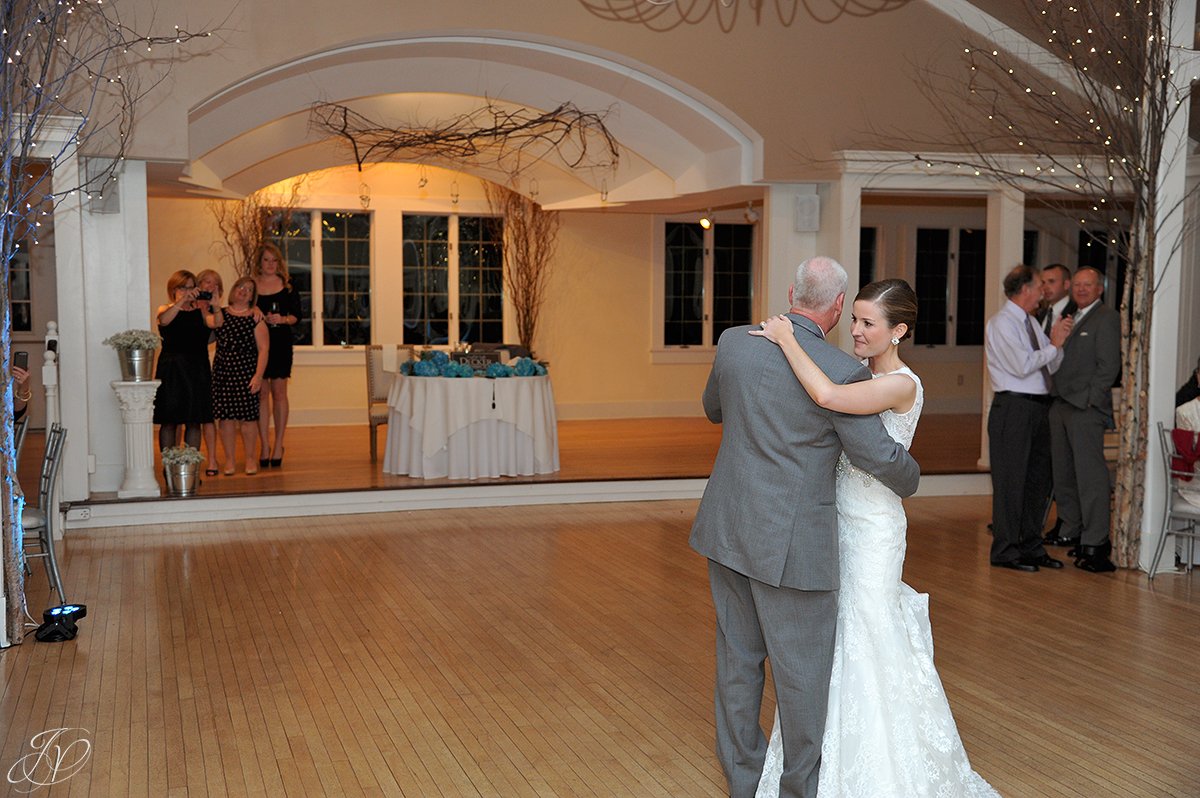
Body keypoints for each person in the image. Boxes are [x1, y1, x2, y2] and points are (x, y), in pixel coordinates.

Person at [749, 280, 998, 798]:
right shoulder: (860, 371)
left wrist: (787, 337)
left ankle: (880, 772)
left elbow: (827, 396)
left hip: (874, 529)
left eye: (868, 324)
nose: (856, 331)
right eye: (855, 319)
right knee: (833, 639)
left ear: (898, 331)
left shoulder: (902, 385)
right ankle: (820, 760)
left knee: (868, 633)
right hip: (833, 520)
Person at [690, 257, 920, 798]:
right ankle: (797, 789)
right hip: (792, 544)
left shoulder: (733, 341)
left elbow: (712, 410)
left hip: (727, 527)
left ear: (791, 292)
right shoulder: (841, 371)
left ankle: (745, 781)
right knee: (802, 675)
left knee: (737, 661)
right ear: (839, 308)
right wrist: (912, 475)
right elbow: (875, 456)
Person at [983, 264, 1071, 572]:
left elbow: (1051, 365)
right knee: (1011, 482)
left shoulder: (1030, 322)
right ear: (1024, 290)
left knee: (1037, 481)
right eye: (1038, 286)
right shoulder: (1002, 323)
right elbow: (1022, 365)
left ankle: (1032, 547)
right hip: (1013, 409)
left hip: (1038, 407)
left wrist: (1054, 345)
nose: (1043, 292)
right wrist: (1055, 344)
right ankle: (1005, 551)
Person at [1049, 266, 1121, 573]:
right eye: (1077, 284)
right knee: (1065, 474)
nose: (1081, 289)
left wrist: (1090, 399)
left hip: (1085, 408)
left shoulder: (1106, 317)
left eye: (1087, 284)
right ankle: (1073, 529)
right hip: (1061, 403)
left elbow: (1109, 366)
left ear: (1099, 288)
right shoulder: (1069, 317)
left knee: (1091, 478)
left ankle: (1096, 542)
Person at [154, 270, 222, 452]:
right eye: (182, 287)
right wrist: (181, 301)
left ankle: (191, 469)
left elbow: (217, 324)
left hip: (197, 368)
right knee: (169, 422)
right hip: (172, 369)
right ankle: (170, 467)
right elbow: (164, 321)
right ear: (173, 289)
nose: (187, 291)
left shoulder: (201, 311)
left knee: (194, 421)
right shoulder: (165, 308)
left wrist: (215, 306)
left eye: (191, 287)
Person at [212, 276, 269, 475]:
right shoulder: (221, 314)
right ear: (233, 289)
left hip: (246, 373)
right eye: (240, 287)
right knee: (226, 420)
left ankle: (251, 459)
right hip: (223, 373)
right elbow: (208, 332)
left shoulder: (256, 318)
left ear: (252, 297)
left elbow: (264, 349)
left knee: (248, 420)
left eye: (249, 290)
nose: (244, 291)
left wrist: (259, 376)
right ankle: (229, 460)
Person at [252, 243, 301, 468]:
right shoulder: (252, 286)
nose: (271, 264)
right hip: (257, 345)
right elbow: (241, 307)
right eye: (266, 260)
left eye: (274, 260)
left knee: (279, 393)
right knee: (261, 395)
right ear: (259, 263)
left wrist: (281, 319)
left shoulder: (288, 286)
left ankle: (279, 443)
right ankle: (264, 444)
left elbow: (297, 317)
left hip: (280, 343)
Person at [195, 269, 225, 477]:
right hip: (183, 364)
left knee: (207, 416)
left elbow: (216, 329)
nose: (210, 286)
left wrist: (212, 306)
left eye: (215, 283)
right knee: (184, 418)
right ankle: (186, 459)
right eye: (206, 282)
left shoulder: (217, 312)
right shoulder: (186, 306)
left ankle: (212, 459)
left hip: (202, 363)